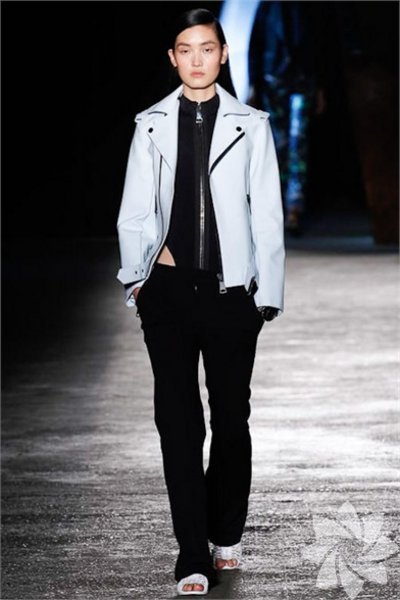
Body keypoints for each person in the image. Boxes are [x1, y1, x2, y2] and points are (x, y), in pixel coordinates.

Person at [116, 8, 285, 596]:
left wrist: (266, 296)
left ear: (223, 54)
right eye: (185, 49)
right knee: (178, 424)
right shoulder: (150, 125)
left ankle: (226, 531)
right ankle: (192, 552)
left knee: (231, 420)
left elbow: (267, 212)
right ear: (172, 57)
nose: (196, 59)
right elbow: (134, 210)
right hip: (166, 293)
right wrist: (137, 281)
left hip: (230, 293)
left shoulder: (251, 125)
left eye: (206, 48)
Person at [247, 0, 327, 235]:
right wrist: (253, 85)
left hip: (302, 81)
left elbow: (318, 49)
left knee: (297, 143)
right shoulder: (267, 7)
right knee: (277, 145)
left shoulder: (309, 8)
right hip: (274, 80)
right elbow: (256, 46)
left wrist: (320, 87)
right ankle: (277, 206)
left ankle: (294, 208)